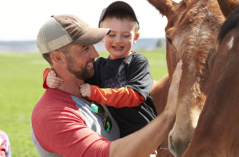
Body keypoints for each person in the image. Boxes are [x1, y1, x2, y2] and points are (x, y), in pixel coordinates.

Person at [31, 14, 183, 157]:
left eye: (92, 46)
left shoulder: (91, 88)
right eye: (85, 48)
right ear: (58, 57)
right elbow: (107, 154)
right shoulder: (51, 115)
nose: (95, 54)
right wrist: (169, 113)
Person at [44, 1, 156, 138]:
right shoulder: (98, 66)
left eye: (126, 35)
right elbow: (73, 76)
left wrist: (96, 93)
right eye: (111, 34)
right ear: (102, 36)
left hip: (143, 132)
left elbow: (135, 96)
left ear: (136, 37)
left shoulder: (137, 62)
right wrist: (49, 76)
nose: (118, 41)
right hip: (117, 137)